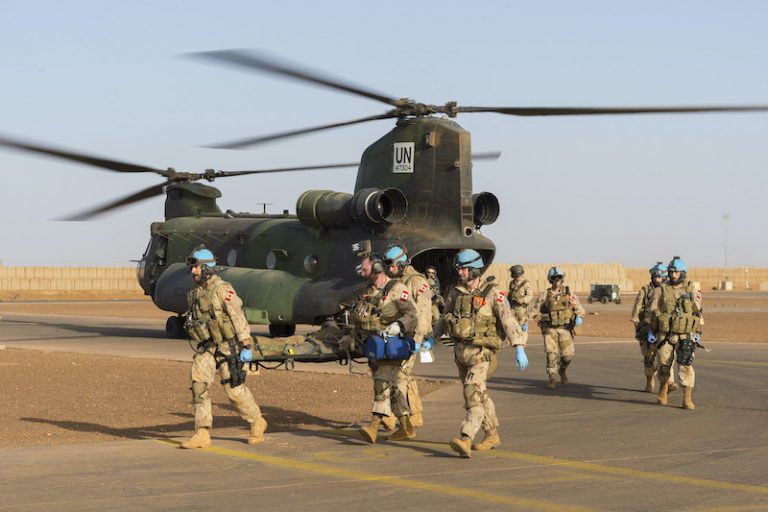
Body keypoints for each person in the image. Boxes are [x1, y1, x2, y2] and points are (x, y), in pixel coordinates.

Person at [435, 249, 527, 458]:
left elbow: (508, 319)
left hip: (482, 354)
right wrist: (432, 337)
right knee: (480, 395)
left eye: (464, 268)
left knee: (471, 394)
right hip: (461, 354)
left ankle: (466, 438)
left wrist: (518, 346)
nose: (460, 272)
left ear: (475, 269)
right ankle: (492, 434)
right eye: (458, 268)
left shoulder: (493, 293)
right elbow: (444, 317)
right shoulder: (456, 293)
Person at [180, 246, 267, 449]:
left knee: (234, 391)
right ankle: (202, 433)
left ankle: (257, 421)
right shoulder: (195, 293)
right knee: (198, 386)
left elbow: (238, 316)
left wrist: (246, 344)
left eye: (196, 267)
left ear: (207, 268)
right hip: (207, 347)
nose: (193, 271)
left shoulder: (223, 290)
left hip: (228, 347)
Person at [340, 252, 418, 444]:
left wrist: (399, 326)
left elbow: (412, 315)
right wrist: (349, 336)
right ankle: (406, 427)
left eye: (365, 269)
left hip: (392, 347)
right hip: (375, 348)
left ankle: (373, 426)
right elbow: (362, 319)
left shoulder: (397, 289)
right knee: (391, 388)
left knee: (381, 384)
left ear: (376, 268)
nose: (362, 272)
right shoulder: (368, 292)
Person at [382, 244, 432, 430]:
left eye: (393, 264)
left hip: (410, 338)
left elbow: (424, 312)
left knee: (400, 375)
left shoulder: (417, 282)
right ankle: (415, 413)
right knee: (401, 375)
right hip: (395, 337)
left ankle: (392, 415)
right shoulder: (394, 282)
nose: (390, 268)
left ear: (402, 263)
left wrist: (418, 340)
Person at [645, 256, 703, 410]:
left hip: (685, 334)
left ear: (683, 272)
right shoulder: (660, 290)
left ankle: (687, 397)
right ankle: (663, 388)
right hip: (665, 334)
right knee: (664, 364)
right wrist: (651, 330)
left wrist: (698, 331)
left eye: (676, 272)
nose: (673, 275)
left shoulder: (692, 290)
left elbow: (698, 312)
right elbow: (651, 312)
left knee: (685, 364)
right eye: (671, 272)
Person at [529, 267, 585, 389]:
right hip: (550, 329)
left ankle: (562, 370)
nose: (557, 280)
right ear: (550, 280)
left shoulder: (569, 294)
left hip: (565, 329)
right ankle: (552, 378)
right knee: (551, 354)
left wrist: (579, 317)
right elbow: (535, 310)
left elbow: (579, 308)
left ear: (562, 279)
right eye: (554, 278)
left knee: (567, 356)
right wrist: (524, 321)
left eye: (559, 278)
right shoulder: (545, 295)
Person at [631, 262, 678, 393]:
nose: (657, 279)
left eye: (660, 276)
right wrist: (639, 330)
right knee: (649, 357)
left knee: (667, 356)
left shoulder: (670, 291)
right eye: (655, 276)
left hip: (664, 328)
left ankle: (668, 382)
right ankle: (649, 380)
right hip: (648, 328)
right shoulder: (645, 291)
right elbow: (636, 312)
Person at [507, 265, 533, 346]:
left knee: (523, 325)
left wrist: (523, 300)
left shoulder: (526, 284)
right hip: (513, 307)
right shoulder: (512, 283)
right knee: (511, 324)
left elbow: (530, 295)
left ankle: (523, 342)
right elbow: (510, 293)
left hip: (521, 308)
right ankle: (513, 341)